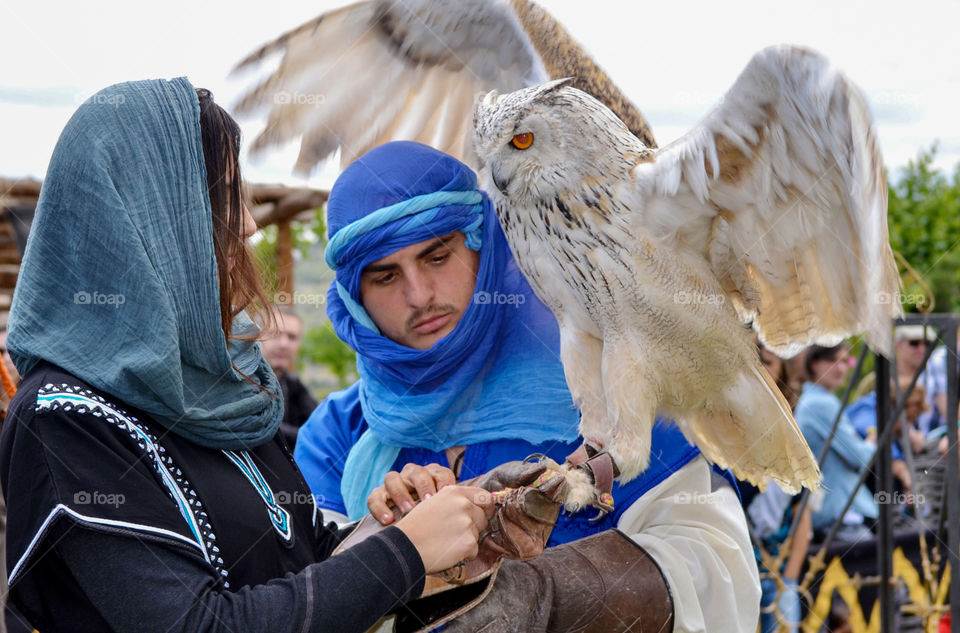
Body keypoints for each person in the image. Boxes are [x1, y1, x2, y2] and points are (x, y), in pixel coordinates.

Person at [0, 79, 495, 633]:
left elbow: (302, 568)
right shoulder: (68, 419)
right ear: (152, 221)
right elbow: (198, 626)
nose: (248, 224)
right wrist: (403, 553)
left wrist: (390, 526)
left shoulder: (220, 388)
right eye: (224, 199)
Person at [294, 141, 761, 631]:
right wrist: (392, 542)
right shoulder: (338, 434)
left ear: (484, 247)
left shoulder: (615, 397)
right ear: (355, 298)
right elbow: (306, 599)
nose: (419, 295)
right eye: (385, 276)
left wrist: (546, 593)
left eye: (436, 257)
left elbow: (719, 571)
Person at [795, 344, 877, 543]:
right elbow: (860, 457)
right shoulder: (821, 404)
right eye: (832, 361)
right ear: (814, 364)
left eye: (845, 361)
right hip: (837, 515)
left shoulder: (816, 399)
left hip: (830, 512)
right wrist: (871, 442)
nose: (841, 368)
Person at [260, 305, 317, 447]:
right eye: (275, 334)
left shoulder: (291, 383)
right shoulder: (241, 381)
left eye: (292, 337)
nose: (284, 344)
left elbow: (320, 421)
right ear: (256, 336)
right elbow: (264, 427)